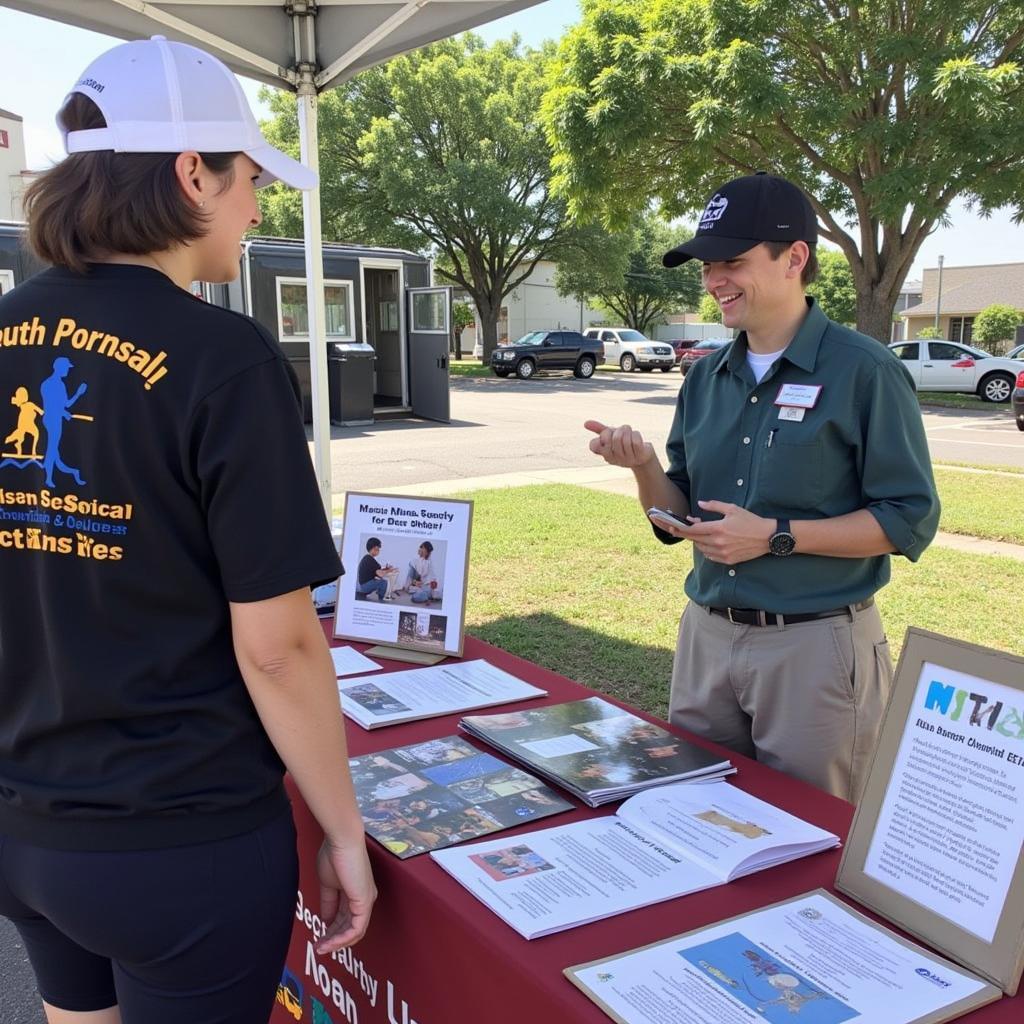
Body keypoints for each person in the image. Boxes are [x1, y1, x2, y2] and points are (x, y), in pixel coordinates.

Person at [0, 37, 375, 1024]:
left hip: (25, 821)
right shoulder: (224, 357)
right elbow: (281, 647)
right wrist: (342, 830)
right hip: (179, 842)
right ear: (189, 171)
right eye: (250, 176)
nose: (257, 205)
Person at [586, 172, 940, 803]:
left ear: (794, 259)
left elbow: (908, 518)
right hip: (707, 637)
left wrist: (775, 536)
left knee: (816, 838)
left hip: (815, 649)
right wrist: (643, 468)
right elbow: (680, 513)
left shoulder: (866, 372)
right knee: (695, 814)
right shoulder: (703, 379)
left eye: (732, 261)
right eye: (705, 265)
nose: (713, 280)